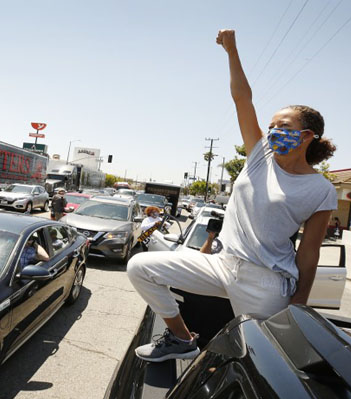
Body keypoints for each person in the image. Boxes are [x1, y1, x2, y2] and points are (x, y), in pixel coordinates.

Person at [126, 29, 337, 362]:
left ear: (307, 135)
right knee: (140, 267)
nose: (273, 132)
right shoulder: (259, 155)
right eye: (271, 126)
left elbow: (309, 252)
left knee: (262, 361)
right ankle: (182, 340)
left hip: (266, 281)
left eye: (283, 126)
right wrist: (231, 50)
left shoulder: (321, 189)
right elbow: (243, 99)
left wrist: (299, 303)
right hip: (221, 264)